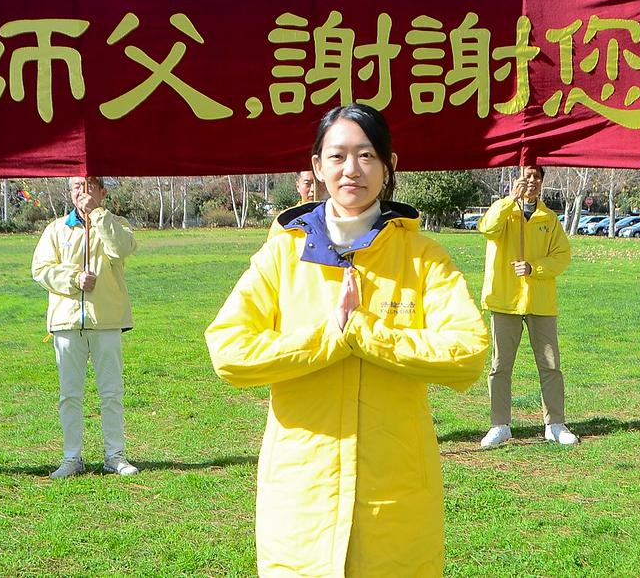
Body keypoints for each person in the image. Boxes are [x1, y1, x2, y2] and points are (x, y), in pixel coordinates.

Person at [206, 103, 489, 576]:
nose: (351, 170)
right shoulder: (283, 254)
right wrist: (330, 337)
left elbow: (467, 352)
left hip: (394, 499)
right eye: (337, 157)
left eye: (366, 156)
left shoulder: (422, 258)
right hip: (302, 494)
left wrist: (366, 334)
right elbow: (229, 351)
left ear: (388, 166)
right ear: (317, 166)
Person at [31, 176, 139, 478]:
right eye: (77, 186)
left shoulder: (116, 224)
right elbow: (40, 269)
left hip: (106, 320)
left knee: (111, 392)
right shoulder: (56, 229)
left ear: (102, 191)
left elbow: (121, 249)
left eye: (90, 185)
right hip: (67, 322)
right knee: (70, 394)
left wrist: (98, 215)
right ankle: (71, 458)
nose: (83, 192)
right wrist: (72, 279)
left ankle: (115, 455)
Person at [477, 165, 578, 448]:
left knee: (550, 365)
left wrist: (535, 268)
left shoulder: (549, 218)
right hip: (505, 299)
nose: (531, 181)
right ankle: (500, 424)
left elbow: (562, 256)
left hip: (540, 301)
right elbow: (487, 228)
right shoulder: (503, 210)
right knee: (500, 366)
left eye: (536, 177)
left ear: (543, 182)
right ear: (516, 179)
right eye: (526, 176)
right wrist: (510, 199)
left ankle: (555, 423)